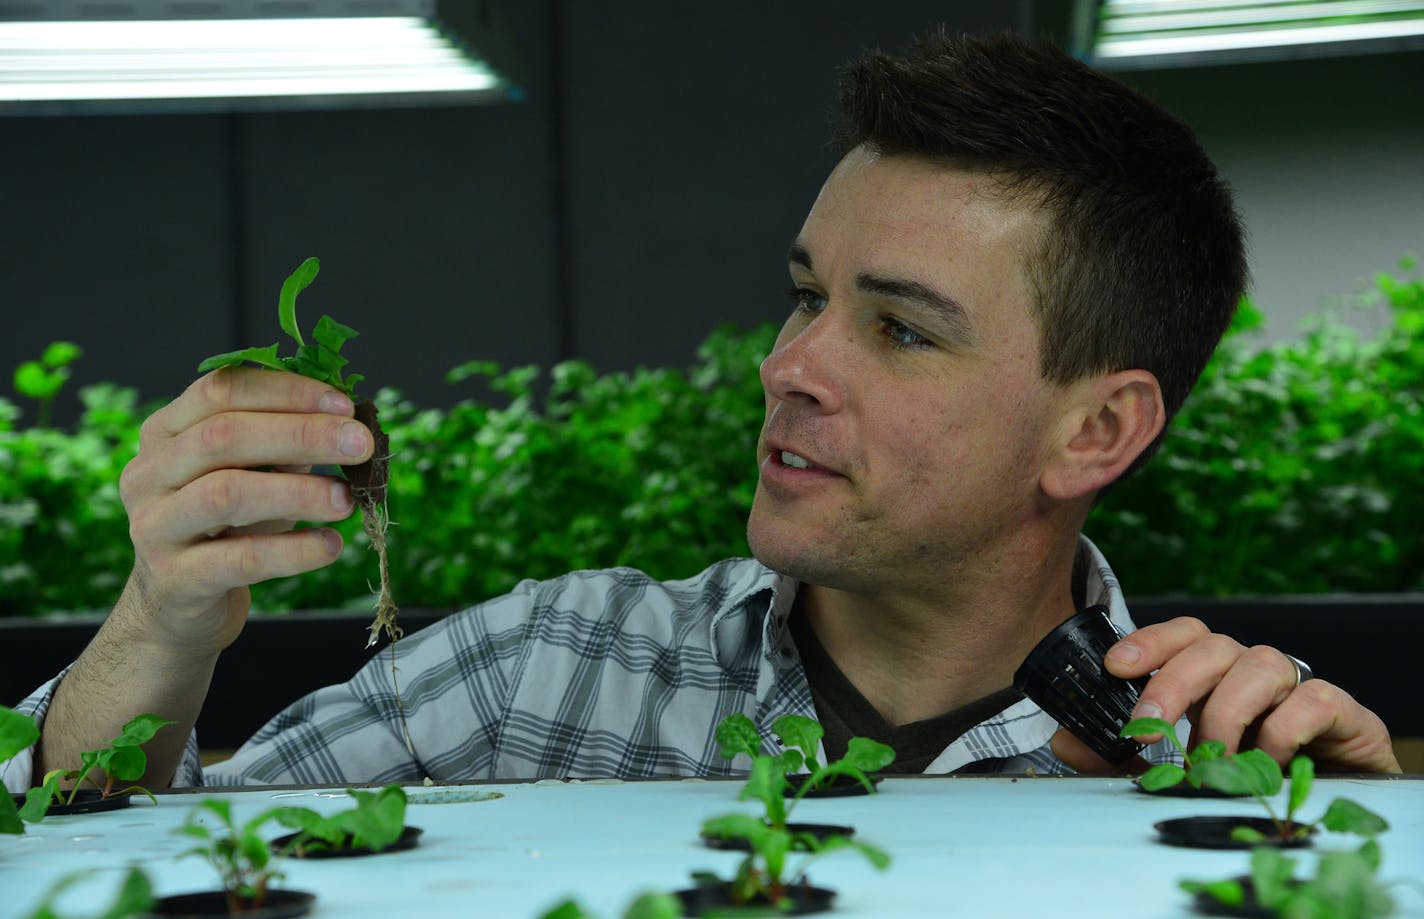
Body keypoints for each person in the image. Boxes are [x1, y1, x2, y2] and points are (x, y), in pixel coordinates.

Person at [3, 31, 1399, 791]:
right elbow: (90, 857)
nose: (788, 365)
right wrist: (157, 629)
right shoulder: (546, 664)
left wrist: (1377, 828)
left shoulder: (1212, 754)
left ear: (1095, 433)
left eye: (899, 327)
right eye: (808, 295)